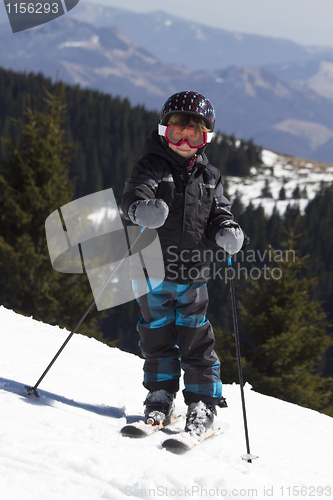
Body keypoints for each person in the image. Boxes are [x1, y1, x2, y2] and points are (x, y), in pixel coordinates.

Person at [121, 90, 245, 436]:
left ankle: (203, 404)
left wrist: (227, 229)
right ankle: (160, 397)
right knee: (157, 336)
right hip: (150, 271)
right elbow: (134, 194)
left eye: (196, 135)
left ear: (206, 138)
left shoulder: (210, 177)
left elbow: (219, 211)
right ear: (164, 131)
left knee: (195, 339)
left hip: (192, 274)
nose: (185, 141)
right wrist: (140, 209)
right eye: (178, 132)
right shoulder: (151, 166)